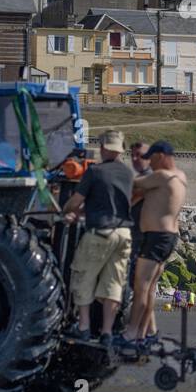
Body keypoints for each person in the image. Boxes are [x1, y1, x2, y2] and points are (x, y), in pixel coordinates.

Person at [60, 130, 134, 345]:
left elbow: (76, 201)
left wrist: (67, 211)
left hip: (100, 233)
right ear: (120, 150)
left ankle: (83, 327)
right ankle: (107, 332)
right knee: (113, 284)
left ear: (103, 148)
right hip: (123, 234)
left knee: (84, 277)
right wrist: (86, 212)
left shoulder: (95, 172)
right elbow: (110, 204)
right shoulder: (128, 174)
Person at [120, 142, 186, 346]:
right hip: (167, 238)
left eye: (151, 157)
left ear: (162, 156)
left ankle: (131, 333)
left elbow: (133, 184)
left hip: (157, 237)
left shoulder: (161, 176)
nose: (149, 161)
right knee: (148, 289)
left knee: (141, 287)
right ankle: (144, 333)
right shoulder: (180, 176)